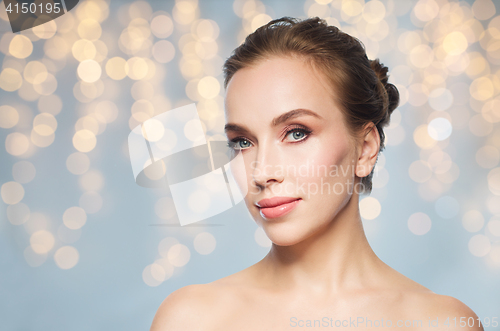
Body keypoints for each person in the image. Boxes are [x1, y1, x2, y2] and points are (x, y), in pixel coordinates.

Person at [150, 17, 483, 330]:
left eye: (296, 132)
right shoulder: (191, 319)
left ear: (365, 148)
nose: (262, 172)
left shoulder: (442, 322)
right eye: (242, 142)